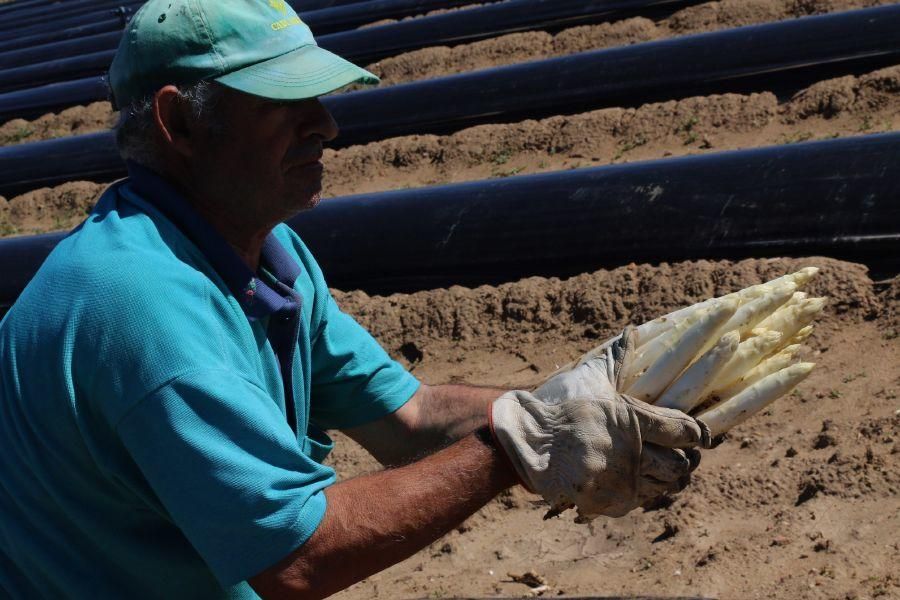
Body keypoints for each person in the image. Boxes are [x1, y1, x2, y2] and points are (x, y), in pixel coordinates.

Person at [0, 1, 708, 598]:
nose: (326, 125)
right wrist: (519, 447)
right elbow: (297, 555)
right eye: (284, 102)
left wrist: (550, 404)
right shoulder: (140, 306)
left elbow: (409, 417)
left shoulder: (265, 257)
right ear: (178, 124)